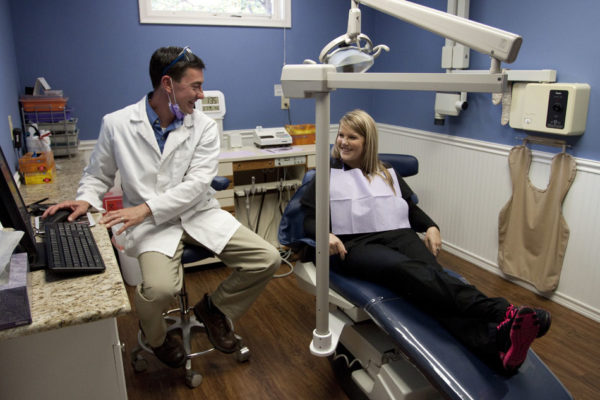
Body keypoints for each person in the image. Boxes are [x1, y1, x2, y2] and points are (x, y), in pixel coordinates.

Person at [43, 46, 280, 368]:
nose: (201, 94)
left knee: (267, 258)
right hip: (155, 226)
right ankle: (156, 338)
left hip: (198, 213)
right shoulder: (117, 124)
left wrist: (145, 208)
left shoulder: (205, 126)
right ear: (167, 84)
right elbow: (98, 174)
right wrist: (86, 198)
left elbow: (197, 184)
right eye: (194, 86)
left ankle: (214, 308)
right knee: (157, 290)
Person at [300, 109, 551, 373]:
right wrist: (323, 234)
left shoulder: (386, 173)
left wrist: (431, 226)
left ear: (368, 141)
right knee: (404, 270)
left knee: (430, 280)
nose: (343, 142)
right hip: (355, 245)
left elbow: (409, 208)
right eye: (341, 135)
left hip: (397, 233)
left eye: (352, 137)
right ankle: (501, 311)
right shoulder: (328, 175)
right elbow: (306, 218)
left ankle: (495, 344)